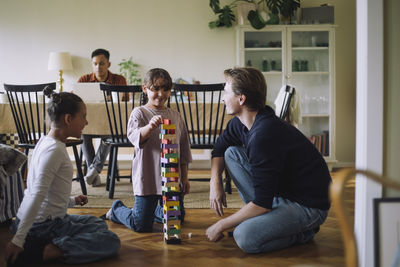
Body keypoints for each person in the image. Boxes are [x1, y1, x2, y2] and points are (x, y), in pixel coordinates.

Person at [206, 67, 331, 254]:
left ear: (241, 98)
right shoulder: (241, 123)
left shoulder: (263, 135)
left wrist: (221, 225)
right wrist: (215, 181)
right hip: (280, 194)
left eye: (226, 92)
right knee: (231, 153)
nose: (223, 98)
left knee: (244, 237)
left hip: (308, 205)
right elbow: (220, 147)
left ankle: (304, 231)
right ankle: (264, 218)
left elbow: (262, 203)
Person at [5, 87, 120, 266]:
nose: (86, 122)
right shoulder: (54, 151)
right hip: (42, 227)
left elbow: (47, 194)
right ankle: (46, 251)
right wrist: (17, 241)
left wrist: (72, 201)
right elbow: (36, 195)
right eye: (83, 116)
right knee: (110, 241)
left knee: (96, 224)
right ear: (68, 119)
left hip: (33, 222)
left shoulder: (45, 141)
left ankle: (41, 242)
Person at [103, 68, 192, 232]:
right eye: (155, 89)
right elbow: (134, 137)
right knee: (141, 225)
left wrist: (184, 178)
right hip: (148, 178)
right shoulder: (139, 113)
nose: (161, 94)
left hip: (171, 180)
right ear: (145, 89)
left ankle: (155, 211)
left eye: (165, 89)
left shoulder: (176, 115)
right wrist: (150, 126)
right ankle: (117, 209)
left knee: (176, 218)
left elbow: (184, 151)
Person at [78, 48, 127, 187]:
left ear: (108, 64)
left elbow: (125, 104)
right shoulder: (83, 80)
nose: (98, 67)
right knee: (83, 134)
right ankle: (93, 172)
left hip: (111, 126)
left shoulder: (119, 80)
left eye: (101, 63)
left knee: (109, 133)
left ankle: (93, 170)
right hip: (88, 124)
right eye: (95, 64)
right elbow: (75, 101)